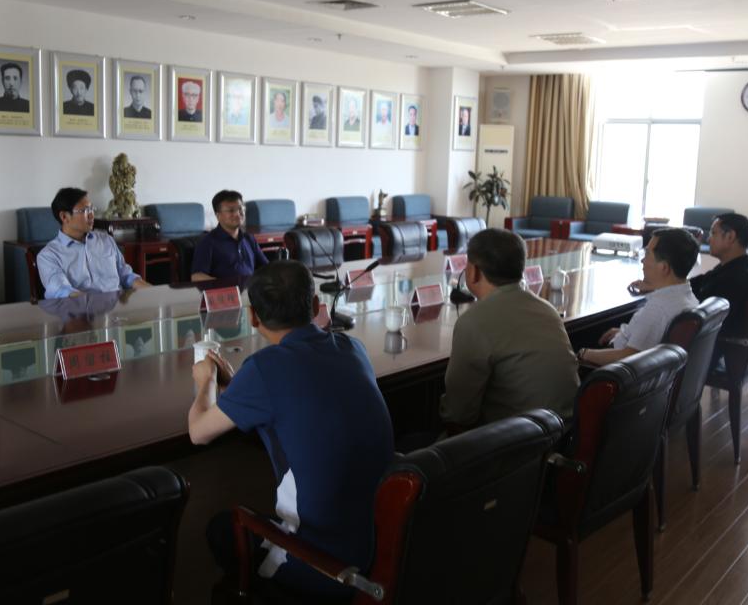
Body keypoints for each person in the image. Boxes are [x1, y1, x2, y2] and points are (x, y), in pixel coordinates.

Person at [189, 260, 393, 599]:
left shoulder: (264, 368)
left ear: (252, 316)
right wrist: (238, 390)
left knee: (222, 528)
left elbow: (198, 432)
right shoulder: (352, 348)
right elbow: (300, 401)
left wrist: (206, 381)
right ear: (315, 306)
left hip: (326, 565)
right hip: (379, 541)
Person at [440, 228, 580, 429]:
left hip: (519, 442)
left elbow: (459, 414)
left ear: (473, 271)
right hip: (568, 433)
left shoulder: (474, 321)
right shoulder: (547, 310)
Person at [580, 227, 699, 366]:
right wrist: (626, 332)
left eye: (647, 254)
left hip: (612, 370)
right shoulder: (688, 297)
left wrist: (584, 353)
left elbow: (628, 358)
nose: (642, 260)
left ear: (664, 267)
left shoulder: (658, 309)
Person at [36, 187, 151, 299]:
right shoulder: (48, 256)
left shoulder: (106, 240)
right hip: (80, 309)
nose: (92, 215)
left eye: (92, 209)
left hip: (117, 307)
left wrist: (154, 292)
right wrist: (95, 304)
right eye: (85, 211)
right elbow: (62, 290)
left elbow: (126, 276)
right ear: (64, 216)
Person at [689, 213, 748, 338]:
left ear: (730, 237)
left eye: (713, 233)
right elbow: (700, 281)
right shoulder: (734, 267)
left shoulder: (734, 280)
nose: (708, 239)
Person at [191, 190, 269, 282]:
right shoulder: (208, 242)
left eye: (240, 209)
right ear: (218, 216)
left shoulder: (249, 238)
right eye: (231, 211)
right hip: (226, 290)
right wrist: (224, 286)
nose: (238, 214)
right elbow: (197, 276)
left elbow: (267, 268)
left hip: (249, 289)